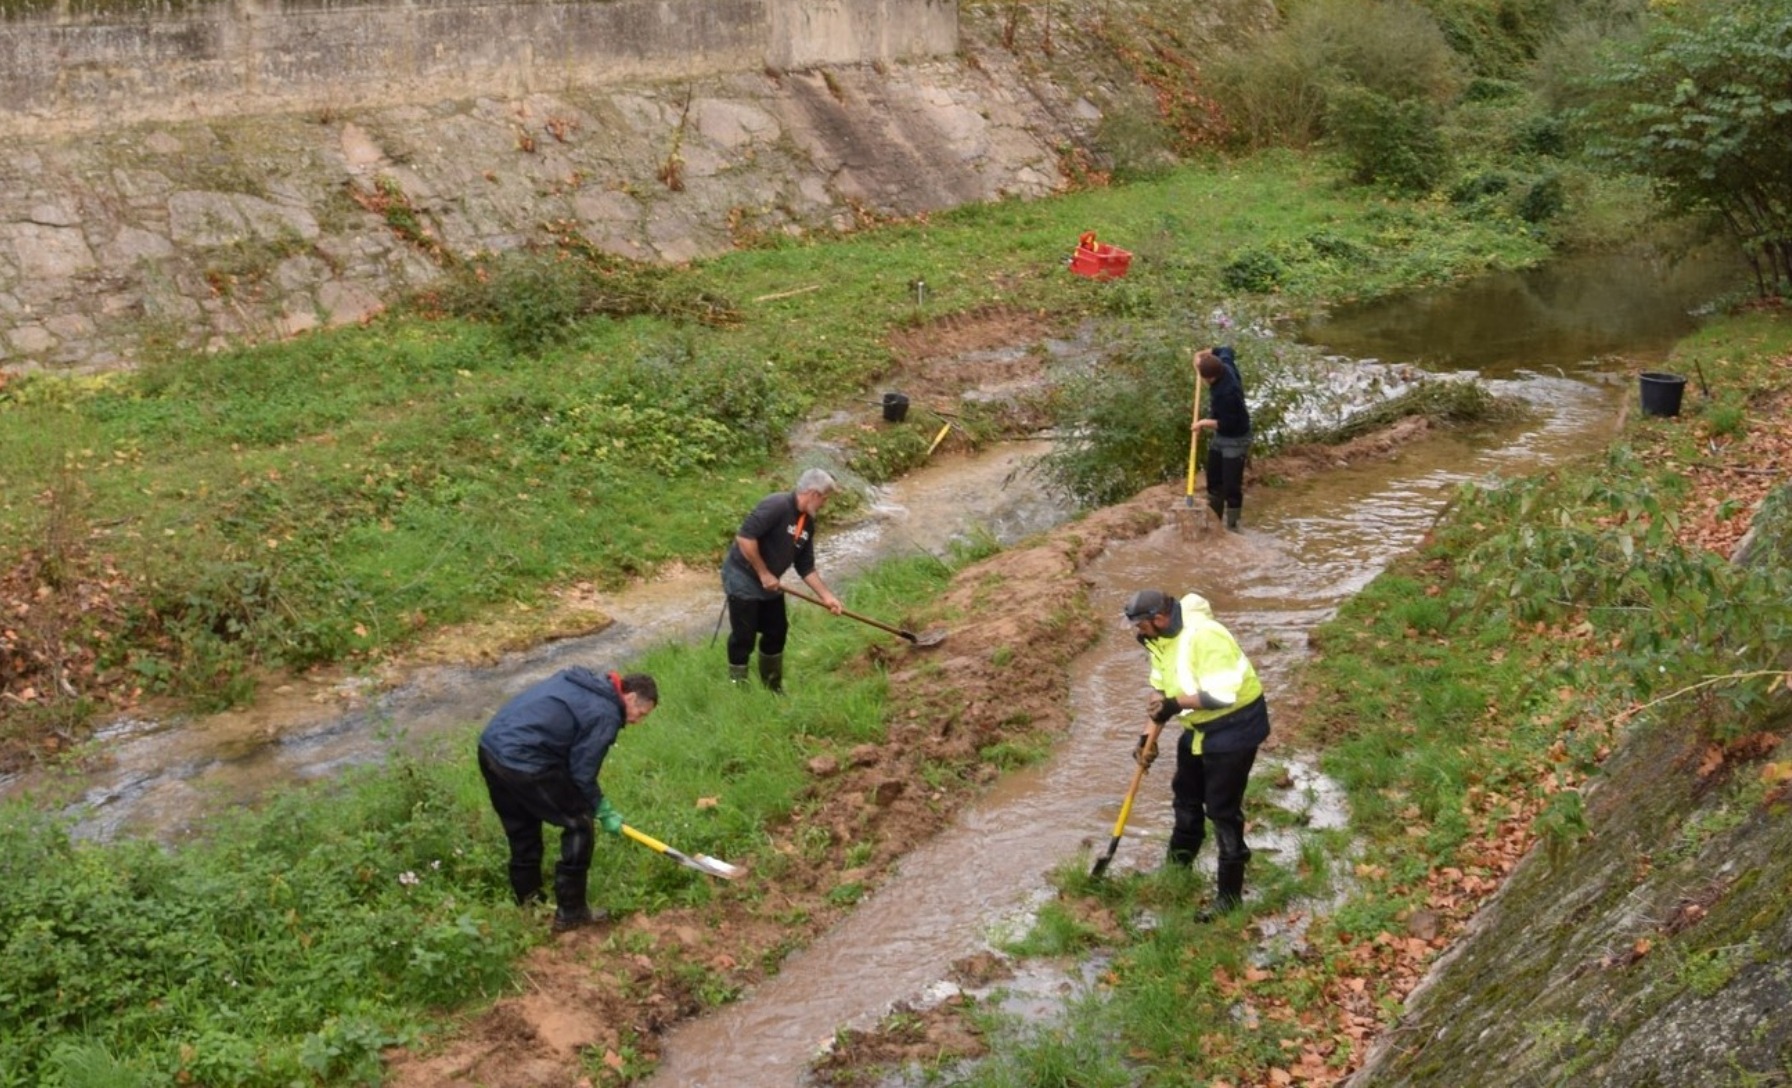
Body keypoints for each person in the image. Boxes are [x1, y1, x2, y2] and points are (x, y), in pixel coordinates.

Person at [477, 666, 659, 931]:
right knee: (579, 823)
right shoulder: (605, 714)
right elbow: (582, 775)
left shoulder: (582, 682)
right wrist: (601, 808)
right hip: (524, 761)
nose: (636, 721)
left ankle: (529, 905)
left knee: (522, 829)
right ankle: (571, 914)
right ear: (629, 698)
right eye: (640, 714)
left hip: (491, 750)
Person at [1123, 588, 1270, 916]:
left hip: (1235, 727)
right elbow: (1161, 692)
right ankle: (1177, 871)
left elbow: (1223, 695)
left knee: (1221, 811)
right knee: (1185, 799)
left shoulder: (1206, 636)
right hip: (1199, 728)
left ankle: (1229, 898)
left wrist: (1175, 705)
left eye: (1141, 625)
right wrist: (1147, 736)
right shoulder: (1159, 641)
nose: (1138, 631)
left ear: (1159, 618)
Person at [720, 467, 843, 692]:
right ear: (814, 494)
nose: (825, 504)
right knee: (744, 636)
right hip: (742, 576)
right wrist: (764, 573)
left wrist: (827, 597)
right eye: (825, 499)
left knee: (777, 631)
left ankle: (772, 686)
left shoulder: (808, 523)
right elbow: (745, 538)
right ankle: (738, 688)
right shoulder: (776, 505)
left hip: (770, 582)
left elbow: (805, 566)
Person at [1194, 345, 1251, 532]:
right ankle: (1214, 523)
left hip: (1236, 437)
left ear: (1210, 378)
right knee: (1214, 480)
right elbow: (1226, 349)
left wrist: (1203, 423)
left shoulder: (1227, 393)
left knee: (1231, 486)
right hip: (1221, 437)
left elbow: (1228, 424)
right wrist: (1202, 354)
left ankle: (1233, 526)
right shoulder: (1225, 364)